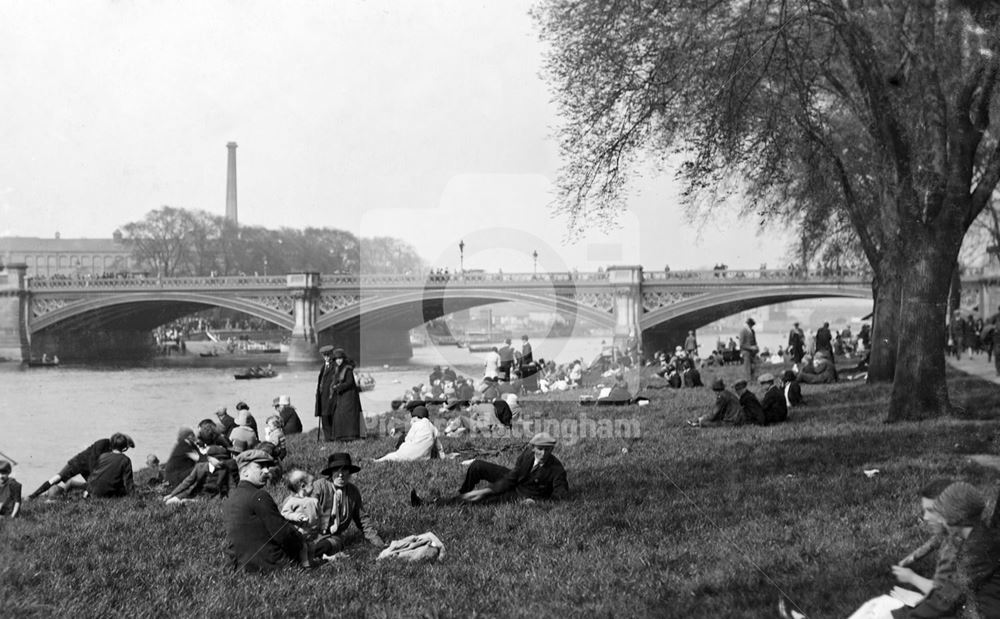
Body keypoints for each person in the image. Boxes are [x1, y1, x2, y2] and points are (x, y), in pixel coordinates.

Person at [410, 432, 569, 506]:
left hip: (522, 494)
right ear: (533, 448)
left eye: (547, 450)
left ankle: (431, 504)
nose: (543, 453)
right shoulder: (527, 454)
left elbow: (560, 497)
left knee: (481, 500)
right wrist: (488, 489)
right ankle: (463, 494)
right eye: (539, 449)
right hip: (515, 482)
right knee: (477, 465)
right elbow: (512, 477)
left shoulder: (557, 470)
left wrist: (535, 502)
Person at [222, 449, 303, 572]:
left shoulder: (229, 499)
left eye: (267, 467)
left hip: (242, 567)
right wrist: (301, 541)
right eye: (260, 467)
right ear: (245, 472)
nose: (266, 471)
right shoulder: (259, 496)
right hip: (271, 566)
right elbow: (282, 534)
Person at [312, 453, 385, 557]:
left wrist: (378, 542)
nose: (341, 474)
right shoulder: (319, 486)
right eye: (337, 470)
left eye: (344, 470)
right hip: (311, 534)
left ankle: (310, 555)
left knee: (327, 546)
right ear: (331, 472)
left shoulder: (353, 492)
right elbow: (306, 509)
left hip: (332, 538)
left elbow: (362, 520)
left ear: (350, 472)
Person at [28, 432, 136, 499]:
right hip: (80, 462)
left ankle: (60, 494)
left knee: (66, 481)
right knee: (57, 478)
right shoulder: (103, 443)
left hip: (88, 466)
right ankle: (33, 495)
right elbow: (93, 461)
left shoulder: (110, 451)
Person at [280, 470, 322, 568]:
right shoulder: (292, 501)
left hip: (311, 531)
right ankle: (305, 564)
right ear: (303, 486)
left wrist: (321, 525)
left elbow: (320, 513)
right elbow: (284, 513)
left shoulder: (314, 501)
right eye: (311, 485)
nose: (314, 487)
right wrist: (296, 516)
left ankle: (311, 562)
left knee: (311, 546)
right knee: (303, 547)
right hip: (299, 531)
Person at [164, 446, 234, 503]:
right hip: (195, 493)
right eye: (219, 459)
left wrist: (232, 500)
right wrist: (172, 494)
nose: (222, 462)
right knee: (169, 502)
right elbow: (187, 482)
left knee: (190, 503)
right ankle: (189, 501)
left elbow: (232, 486)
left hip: (213, 497)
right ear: (209, 458)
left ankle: (192, 502)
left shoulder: (225, 469)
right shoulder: (199, 467)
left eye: (224, 459)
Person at [375, 405, 445, 462]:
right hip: (424, 458)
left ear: (416, 418)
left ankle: (378, 461)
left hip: (405, 455)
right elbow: (438, 445)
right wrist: (442, 456)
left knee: (390, 456)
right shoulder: (432, 427)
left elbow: (408, 439)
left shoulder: (415, 425)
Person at [328, 348, 364, 441]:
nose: (339, 361)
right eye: (337, 359)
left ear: (343, 359)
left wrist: (338, 387)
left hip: (349, 396)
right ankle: (341, 436)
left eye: (340, 358)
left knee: (348, 416)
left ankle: (351, 436)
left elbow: (349, 382)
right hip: (342, 396)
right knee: (340, 415)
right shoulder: (338, 369)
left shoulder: (347, 369)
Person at [86, 433, 135, 498]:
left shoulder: (102, 456)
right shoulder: (126, 460)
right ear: (125, 446)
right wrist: (133, 496)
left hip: (93, 492)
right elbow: (128, 482)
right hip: (109, 494)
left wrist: (88, 490)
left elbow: (94, 474)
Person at [315, 344, 338, 441]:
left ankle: (333, 438)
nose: (326, 357)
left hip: (330, 396)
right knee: (324, 417)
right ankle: (328, 439)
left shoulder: (335, 366)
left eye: (328, 355)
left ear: (332, 354)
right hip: (322, 397)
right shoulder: (323, 367)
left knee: (331, 416)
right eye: (324, 355)